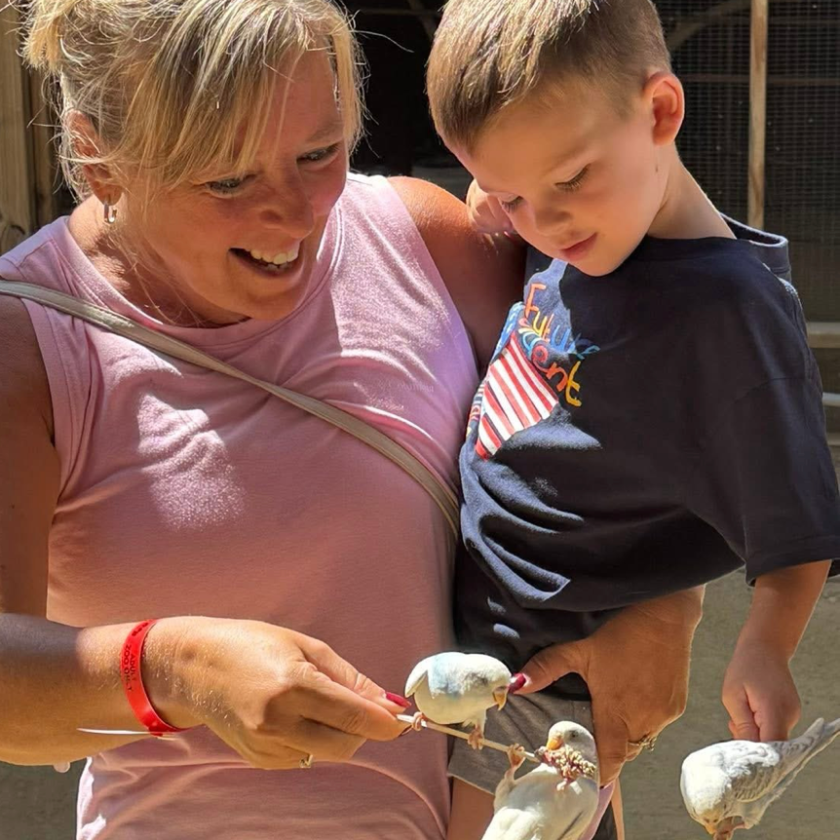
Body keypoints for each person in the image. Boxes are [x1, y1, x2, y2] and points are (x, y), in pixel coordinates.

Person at [0, 0, 526, 837]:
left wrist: (660, 614)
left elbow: (629, 414)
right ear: (100, 156)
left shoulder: (430, 244)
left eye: (318, 153)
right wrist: (178, 669)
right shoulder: (26, 346)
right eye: (226, 178)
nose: (297, 212)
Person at [425, 1, 840, 838]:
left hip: (548, 657)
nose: (541, 224)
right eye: (512, 195)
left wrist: (764, 645)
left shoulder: (725, 313)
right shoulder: (596, 215)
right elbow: (537, 182)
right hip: (489, 621)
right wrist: (513, 187)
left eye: (566, 180)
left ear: (659, 112)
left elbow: (797, 509)